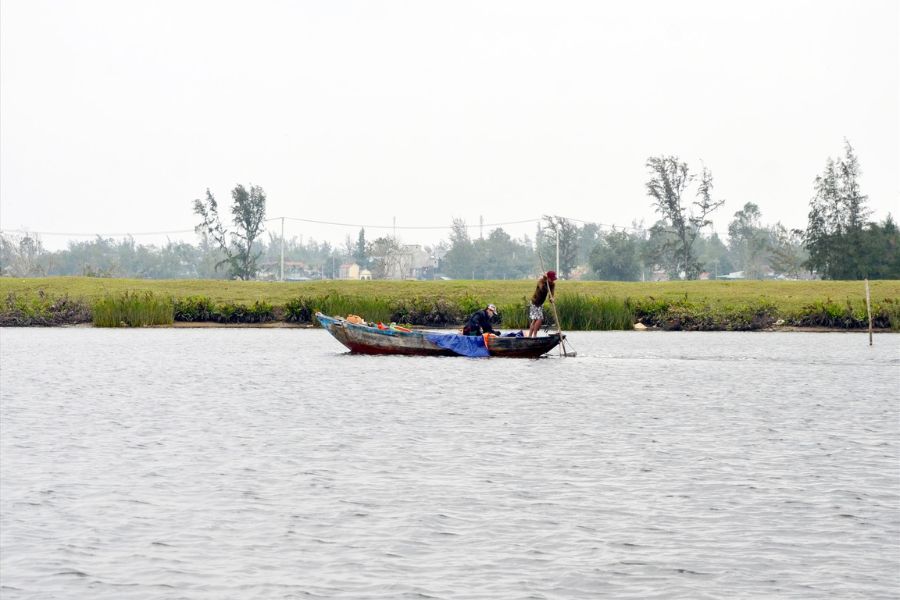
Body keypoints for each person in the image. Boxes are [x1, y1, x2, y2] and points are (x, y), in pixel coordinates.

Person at [527, 270, 557, 337]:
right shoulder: (541, 281)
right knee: (538, 319)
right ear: (548, 278)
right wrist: (546, 282)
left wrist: (552, 299)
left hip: (540, 303)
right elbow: (542, 289)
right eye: (551, 279)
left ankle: (530, 336)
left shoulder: (552, 284)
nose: (553, 281)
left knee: (535, 320)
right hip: (535, 302)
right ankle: (534, 336)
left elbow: (551, 294)